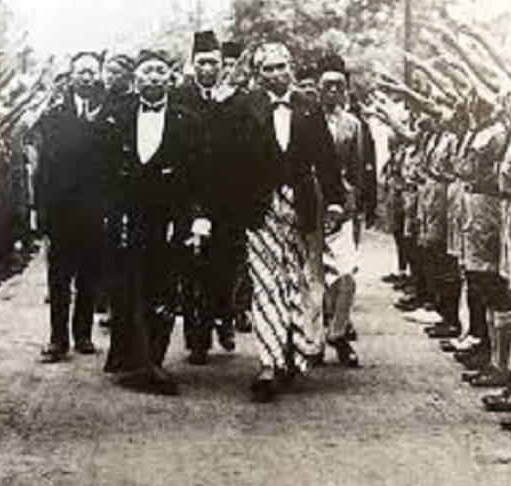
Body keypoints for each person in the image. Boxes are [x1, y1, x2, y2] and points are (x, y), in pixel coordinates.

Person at [243, 42, 344, 402]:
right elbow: (232, 161)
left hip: (300, 207)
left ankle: (292, 351)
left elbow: (327, 159)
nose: (275, 74)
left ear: (291, 67)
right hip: (259, 208)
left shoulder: (309, 107)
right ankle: (267, 365)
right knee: (265, 283)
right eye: (267, 68)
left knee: (295, 279)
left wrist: (335, 203)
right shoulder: (246, 106)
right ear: (258, 74)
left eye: (280, 66)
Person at [102, 48, 201, 395]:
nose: (154, 77)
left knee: (163, 287)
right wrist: (110, 213)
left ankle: (154, 360)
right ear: (136, 78)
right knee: (127, 285)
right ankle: (128, 357)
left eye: (160, 70)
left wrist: (194, 219)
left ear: (170, 78)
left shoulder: (187, 121)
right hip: (127, 216)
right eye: (147, 71)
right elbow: (103, 170)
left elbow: (197, 175)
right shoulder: (116, 116)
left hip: (169, 218)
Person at [35, 52, 107, 363]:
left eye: (92, 72)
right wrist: (41, 211)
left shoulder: (108, 113)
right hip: (62, 211)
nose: (87, 78)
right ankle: (58, 339)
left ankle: (83, 335)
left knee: (90, 276)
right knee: (59, 278)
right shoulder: (54, 116)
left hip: (95, 210)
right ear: (72, 75)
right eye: (82, 72)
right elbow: (44, 168)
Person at [174, 31, 237, 365]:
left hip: (226, 196)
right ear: (192, 65)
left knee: (223, 266)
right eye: (201, 63)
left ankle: (223, 318)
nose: (208, 69)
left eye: (213, 63)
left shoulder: (235, 99)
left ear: (223, 65)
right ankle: (196, 336)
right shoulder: (179, 97)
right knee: (190, 268)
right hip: (187, 194)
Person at [316, 53, 362, 366]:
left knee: (346, 272)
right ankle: (315, 338)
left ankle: (339, 330)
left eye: (339, 86)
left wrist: (352, 207)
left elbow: (357, 170)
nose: (333, 91)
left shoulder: (352, 125)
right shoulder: (306, 120)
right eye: (327, 85)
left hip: (342, 209)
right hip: (312, 204)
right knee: (316, 274)